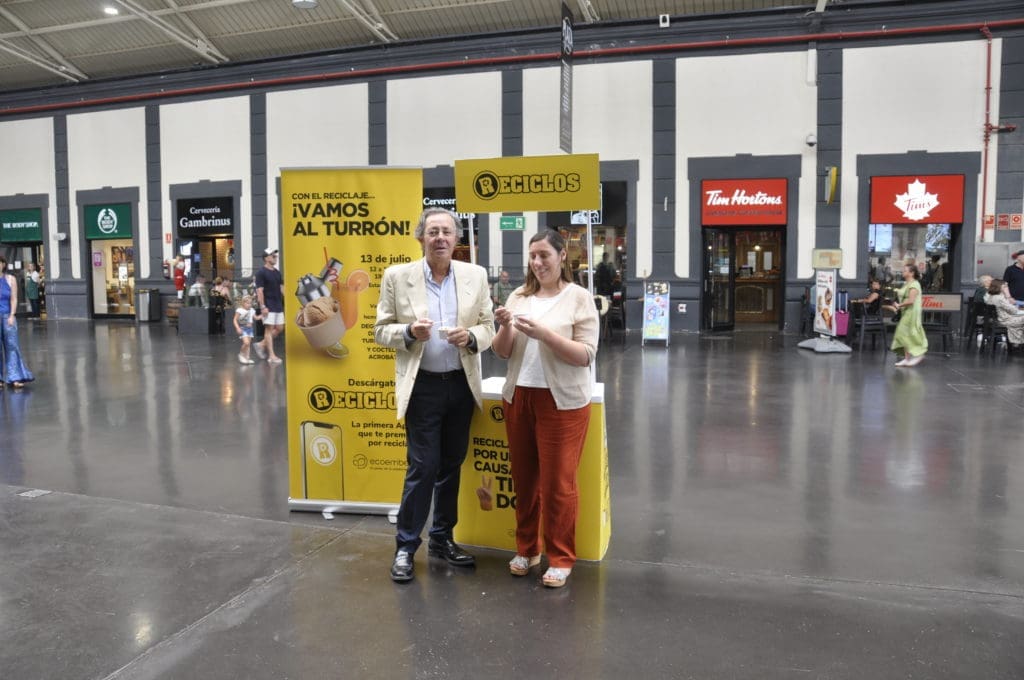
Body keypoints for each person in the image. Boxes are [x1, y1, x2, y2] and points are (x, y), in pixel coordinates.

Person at [373, 208, 495, 583]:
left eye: (446, 232)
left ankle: (442, 538)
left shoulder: (476, 275)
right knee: (423, 466)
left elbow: (488, 326)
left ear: (456, 238)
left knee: (451, 465)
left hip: (460, 384)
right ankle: (406, 546)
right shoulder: (397, 276)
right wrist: (409, 332)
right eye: (432, 232)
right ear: (420, 237)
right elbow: (380, 330)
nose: (440, 238)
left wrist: (471, 337)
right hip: (422, 386)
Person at [491, 229, 599, 588]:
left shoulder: (579, 298)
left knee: (558, 485)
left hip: (562, 402)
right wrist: (505, 326)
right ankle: (527, 548)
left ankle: (561, 556)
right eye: (533, 256)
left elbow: (585, 355)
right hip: (519, 396)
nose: (537, 263)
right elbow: (502, 351)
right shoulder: (519, 296)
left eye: (544, 255)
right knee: (524, 482)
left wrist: (545, 336)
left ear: (562, 256)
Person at [0, 256, 34, 389]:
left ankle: (15, 377)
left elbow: (14, 298)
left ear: (3, 264)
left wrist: (12, 315)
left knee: (12, 347)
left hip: (7, 316)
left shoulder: (10, 279)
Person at [886, 263, 928, 367]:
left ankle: (919, 354)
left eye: (905, 270)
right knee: (904, 334)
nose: (903, 272)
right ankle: (907, 358)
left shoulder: (914, 284)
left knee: (907, 333)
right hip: (907, 312)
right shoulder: (907, 284)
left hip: (912, 312)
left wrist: (899, 305)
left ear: (912, 273)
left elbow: (911, 301)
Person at [254, 248, 284, 364]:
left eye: (276, 256)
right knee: (269, 329)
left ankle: (261, 344)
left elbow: (281, 288)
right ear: (266, 258)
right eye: (273, 256)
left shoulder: (277, 272)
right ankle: (271, 356)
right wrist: (263, 307)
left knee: (280, 328)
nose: (275, 258)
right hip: (268, 305)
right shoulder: (261, 273)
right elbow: (259, 291)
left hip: (278, 305)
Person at [983, 278, 1024, 349]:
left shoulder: (990, 296)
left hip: (999, 320)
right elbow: (1013, 310)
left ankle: (1018, 344)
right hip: (1005, 321)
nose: (1007, 288)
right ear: (999, 287)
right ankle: (1018, 344)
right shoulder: (1000, 298)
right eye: (1005, 286)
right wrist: (1008, 296)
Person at [233, 294, 257, 364]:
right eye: (247, 303)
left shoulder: (252, 310)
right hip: (243, 328)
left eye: (250, 303)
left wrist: (263, 315)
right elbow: (235, 320)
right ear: (243, 303)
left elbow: (256, 318)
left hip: (250, 329)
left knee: (248, 344)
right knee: (246, 343)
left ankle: (247, 358)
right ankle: (241, 354)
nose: (249, 305)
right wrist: (237, 328)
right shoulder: (239, 310)